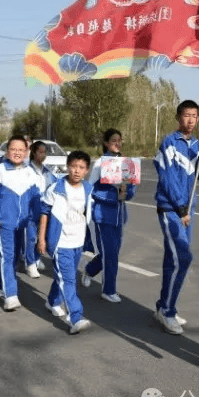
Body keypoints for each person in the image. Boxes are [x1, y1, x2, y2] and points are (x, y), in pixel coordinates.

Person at [152, 99, 199, 335]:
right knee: (183, 258)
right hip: (172, 210)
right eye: (186, 115)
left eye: (194, 116)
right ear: (179, 118)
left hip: (187, 210)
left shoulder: (197, 144)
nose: (190, 120)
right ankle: (168, 311)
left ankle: (163, 306)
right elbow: (167, 179)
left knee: (172, 259)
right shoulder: (169, 142)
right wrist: (180, 208)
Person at [38, 150, 94, 334]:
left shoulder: (87, 189)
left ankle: (53, 300)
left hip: (77, 242)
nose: (77, 171)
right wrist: (42, 239)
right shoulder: (57, 188)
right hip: (60, 242)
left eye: (81, 168)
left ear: (86, 170)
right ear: (68, 167)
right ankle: (75, 317)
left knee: (63, 276)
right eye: (74, 166)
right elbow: (44, 213)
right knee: (69, 279)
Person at [0, 135, 41, 311]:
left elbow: (36, 198)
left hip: (23, 223)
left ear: (26, 152)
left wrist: (37, 217)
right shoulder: (0, 170)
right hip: (5, 222)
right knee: (7, 256)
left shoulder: (30, 172)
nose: (17, 153)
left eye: (21, 150)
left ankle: (0, 287)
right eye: (13, 149)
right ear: (7, 151)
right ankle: (11, 295)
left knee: (15, 257)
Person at [82, 129, 137, 303]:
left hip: (119, 215)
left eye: (119, 140)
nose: (117, 143)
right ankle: (108, 290)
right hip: (103, 214)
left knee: (112, 253)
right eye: (113, 140)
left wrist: (124, 190)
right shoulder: (100, 164)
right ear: (106, 143)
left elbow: (130, 192)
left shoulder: (127, 163)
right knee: (110, 253)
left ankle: (90, 269)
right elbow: (89, 189)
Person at [24, 140, 57, 278]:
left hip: (44, 211)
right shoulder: (26, 170)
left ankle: (36, 258)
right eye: (40, 152)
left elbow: (56, 185)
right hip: (30, 210)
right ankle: (30, 264)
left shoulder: (47, 171)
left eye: (45, 152)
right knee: (31, 238)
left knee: (43, 237)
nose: (43, 155)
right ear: (33, 152)